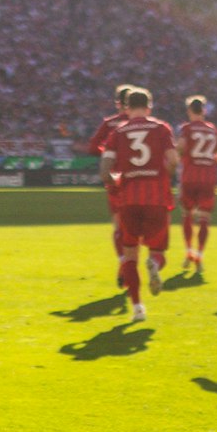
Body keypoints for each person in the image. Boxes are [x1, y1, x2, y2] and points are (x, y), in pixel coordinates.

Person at [99, 88, 178, 323]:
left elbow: (105, 171)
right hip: (156, 197)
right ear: (149, 106)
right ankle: (154, 263)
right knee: (157, 250)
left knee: (130, 254)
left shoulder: (118, 132)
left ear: (126, 108)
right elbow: (173, 160)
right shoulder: (161, 128)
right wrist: (165, 176)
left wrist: (116, 184)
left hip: (129, 199)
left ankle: (137, 308)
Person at [88, 84, 138, 288]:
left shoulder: (110, 124)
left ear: (118, 103)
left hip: (115, 177)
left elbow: (93, 147)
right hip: (137, 178)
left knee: (119, 226)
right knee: (134, 228)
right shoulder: (142, 124)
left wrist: (109, 155)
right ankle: (128, 267)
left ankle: (122, 264)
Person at [174, 95, 217, 276]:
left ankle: (189, 252)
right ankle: (200, 255)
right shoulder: (212, 130)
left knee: (187, 215)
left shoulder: (186, 129)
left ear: (189, 111)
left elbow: (180, 148)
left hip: (189, 176)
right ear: (204, 110)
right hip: (208, 177)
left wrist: (176, 158)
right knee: (204, 218)